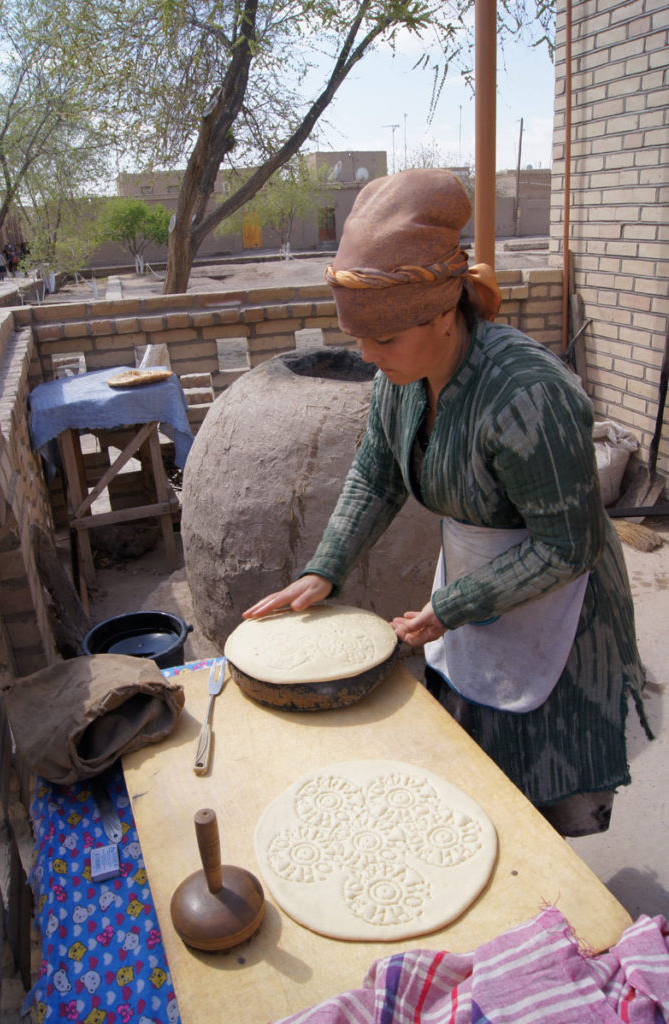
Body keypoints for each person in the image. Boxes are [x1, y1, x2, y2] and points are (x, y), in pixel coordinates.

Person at [243, 168, 650, 838]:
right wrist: (326, 567)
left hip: (558, 602)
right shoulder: (402, 380)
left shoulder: (527, 396)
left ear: (441, 312)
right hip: (475, 583)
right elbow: (376, 474)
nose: (371, 357)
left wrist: (452, 607)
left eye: (386, 340)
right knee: (475, 768)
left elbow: (568, 544)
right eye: (359, 341)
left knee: (537, 788)